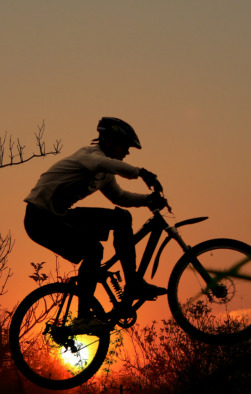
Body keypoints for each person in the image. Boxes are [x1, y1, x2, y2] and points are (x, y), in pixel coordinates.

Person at [24, 116, 167, 333]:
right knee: (93, 250)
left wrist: (147, 199)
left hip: (59, 217)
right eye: (125, 147)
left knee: (121, 217)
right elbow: (104, 163)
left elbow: (120, 197)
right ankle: (83, 318)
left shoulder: (105, 173)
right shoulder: (89, 156)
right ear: (108, 141)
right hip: (40, 219)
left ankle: (133, 283)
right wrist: (140, 172)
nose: (127, 153)